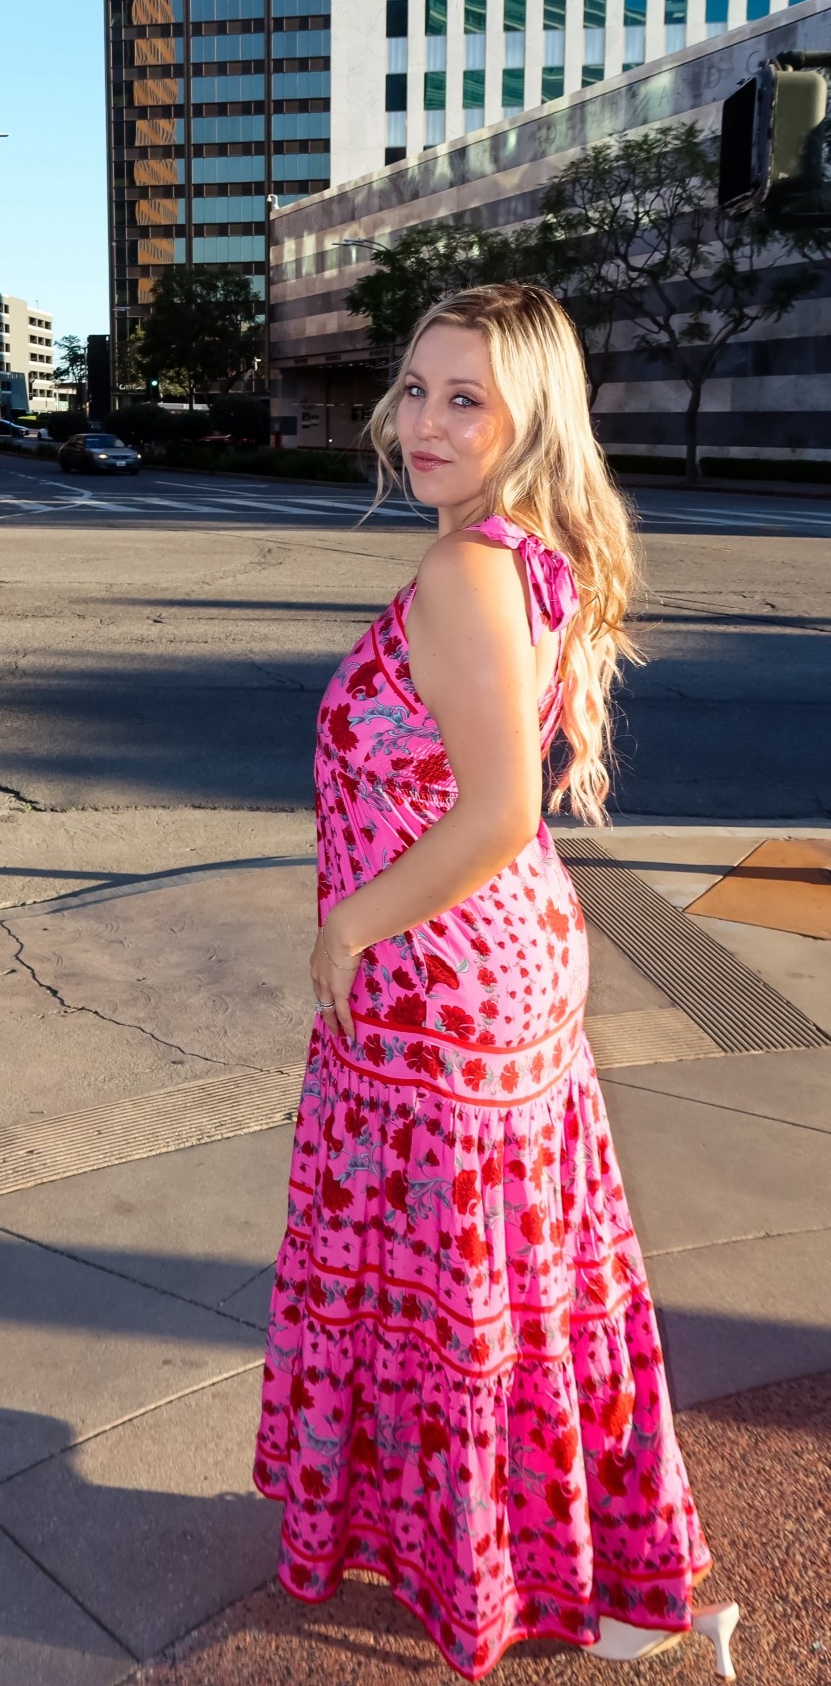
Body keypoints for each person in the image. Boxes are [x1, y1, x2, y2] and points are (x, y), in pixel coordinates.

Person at [253, 286, 739, 1681]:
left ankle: (506, 1562)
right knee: (521, 1283)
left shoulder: (470, 572)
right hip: (491, 969)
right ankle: (581, 1554)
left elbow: (495, 811)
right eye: (413, 388)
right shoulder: (517, 554)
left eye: (463, 398)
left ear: (529, 416)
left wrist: (346, 929)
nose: (422, 421)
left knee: (462, 1294)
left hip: (442, 975)